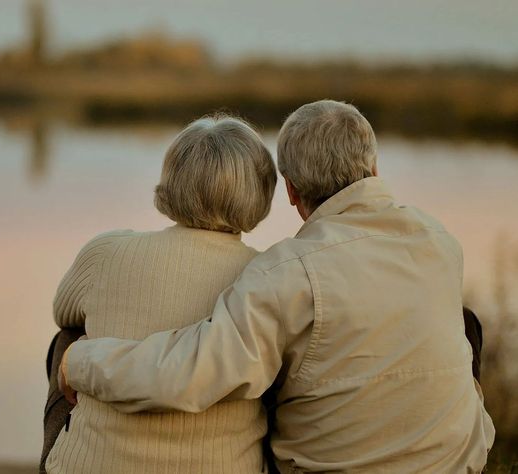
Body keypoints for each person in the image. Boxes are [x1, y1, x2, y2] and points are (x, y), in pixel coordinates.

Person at [60, 100, 496, 473]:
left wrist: (79, 361)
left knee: (260, 368)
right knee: (464, 324)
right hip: (459, 462)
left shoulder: (287, 272)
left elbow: (192, 373)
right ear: (374, 167)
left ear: (289, 191)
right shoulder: (439, 240)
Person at [44, 114, 278, 473]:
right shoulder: (269, 275)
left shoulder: (106, 251)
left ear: (171, 182)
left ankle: (64, 454)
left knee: (68, 338)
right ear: (261, 191)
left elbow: (64, 311)